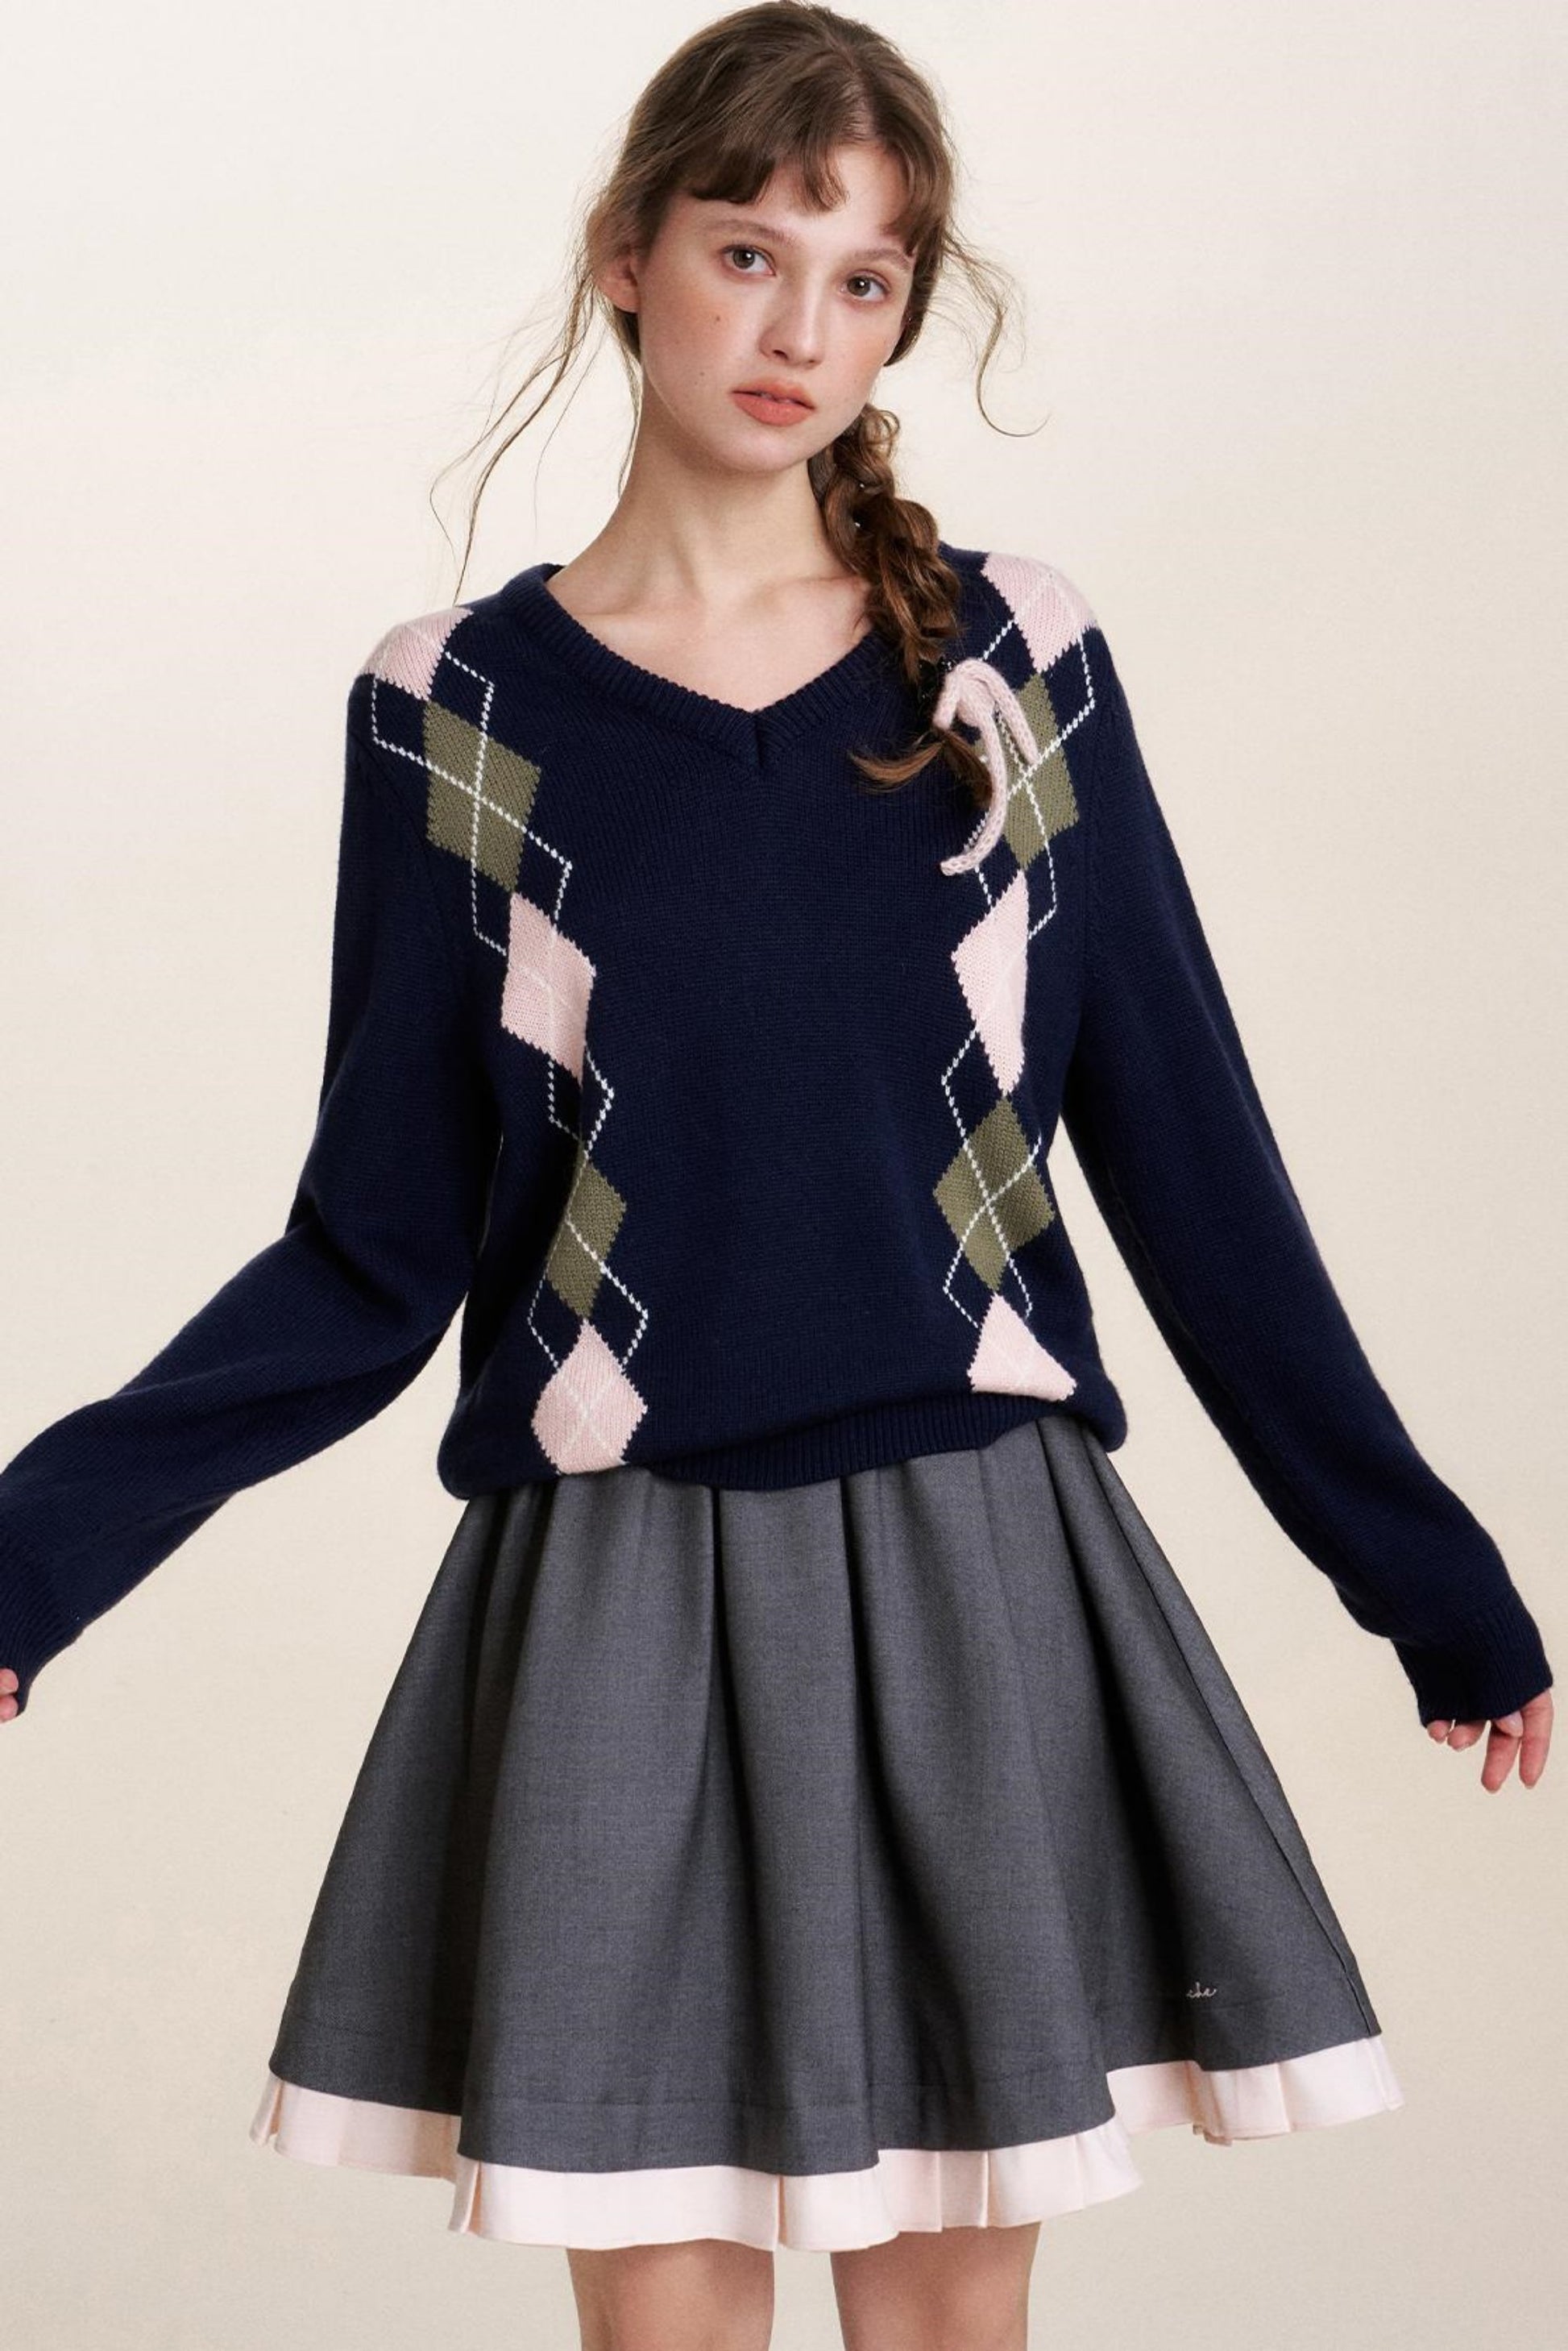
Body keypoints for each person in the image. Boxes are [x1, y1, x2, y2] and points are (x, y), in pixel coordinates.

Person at [0, 5, 1553, 2346]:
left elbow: (1193, 1159)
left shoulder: (1010, 668)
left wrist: (1421, 1574)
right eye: (749, 252)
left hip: (977, 1571)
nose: (800, 330)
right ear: (626, 255)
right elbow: (369, 1245)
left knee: (946, 2325)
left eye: (864, 279)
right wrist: (33, 1557)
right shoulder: (457, 714)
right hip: (612, 1595)